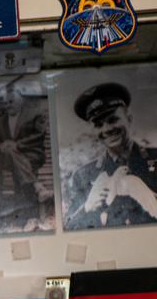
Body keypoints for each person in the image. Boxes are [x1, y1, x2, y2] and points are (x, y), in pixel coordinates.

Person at [64, 81, 157, 230]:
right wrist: (87, 208)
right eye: (98, 125)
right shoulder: (82, 175)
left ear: (129, 119)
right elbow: (69, 227)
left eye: (113, 120)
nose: (106, 129)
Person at [0, 84, 51, 229]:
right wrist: (2, 146)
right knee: (12, 155)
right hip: (10, 159)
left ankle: (24, 220)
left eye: (11, 102)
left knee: (19, 172)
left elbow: (38, 136)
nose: (8, 105)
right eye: (5, 103)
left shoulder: (33, 115)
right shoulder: (0, 122)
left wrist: (17, 145)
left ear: (20, 101)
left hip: (32, 154)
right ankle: (37, 187)